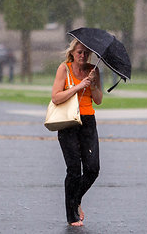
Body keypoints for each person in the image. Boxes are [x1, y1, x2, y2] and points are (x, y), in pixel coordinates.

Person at [51, 39, 103, 226]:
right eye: (80, 52)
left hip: (88, 122)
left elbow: (98, 100)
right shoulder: (64, 69)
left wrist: (94, 84)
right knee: (74, 169)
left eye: (86, 53)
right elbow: (56, 97)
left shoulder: (93, 70)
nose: (83, 56)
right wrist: (79, 86)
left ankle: (76, 199)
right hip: (68, 121)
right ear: (72, 52)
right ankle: (71, 214)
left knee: (92, 169)